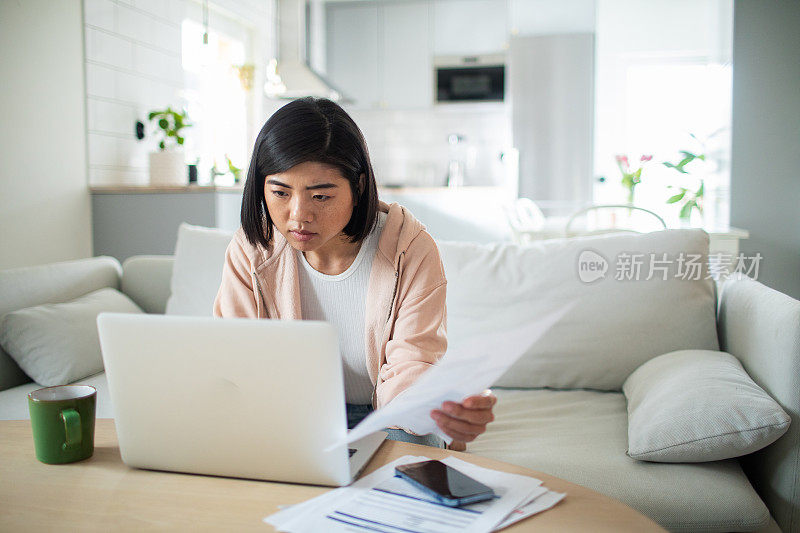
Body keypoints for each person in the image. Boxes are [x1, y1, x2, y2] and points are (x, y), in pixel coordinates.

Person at [213, 97, 495, 450]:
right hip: (290, 415)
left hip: (386, 417)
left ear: (359, 186)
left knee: (411, 446)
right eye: (280, 193)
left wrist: (439, 407)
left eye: (320, 197)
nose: (298, 215)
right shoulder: (252, 250)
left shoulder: (411, 249)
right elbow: (235, 355)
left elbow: (413, 361)